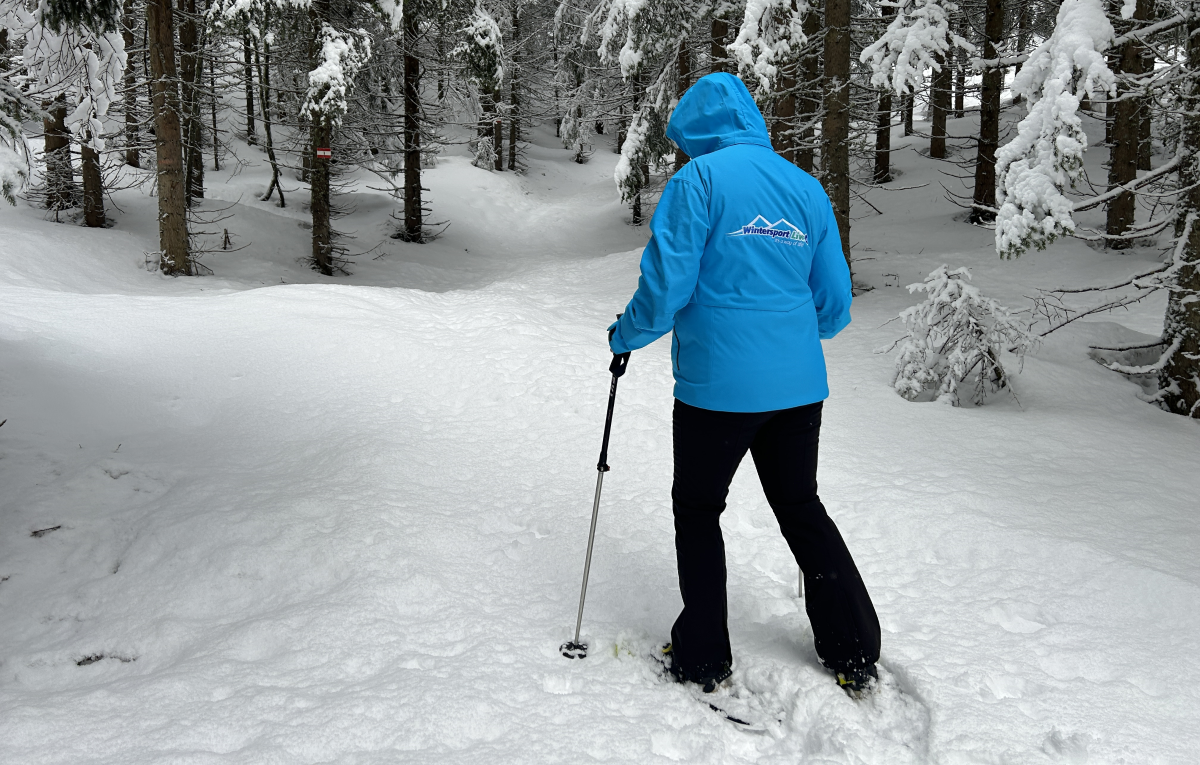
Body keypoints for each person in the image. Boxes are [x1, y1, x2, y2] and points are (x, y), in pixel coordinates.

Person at [607, 73, 881, 697]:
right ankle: (854, 646)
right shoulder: (805, 187)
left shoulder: (697, 181)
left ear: (696, 130)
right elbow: (834, 304)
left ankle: (702, 655)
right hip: (798, 388)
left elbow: (666, 287)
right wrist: (782, 333)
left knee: (698, 511)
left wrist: (625, 335)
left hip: (717, 391)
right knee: (800, 506)